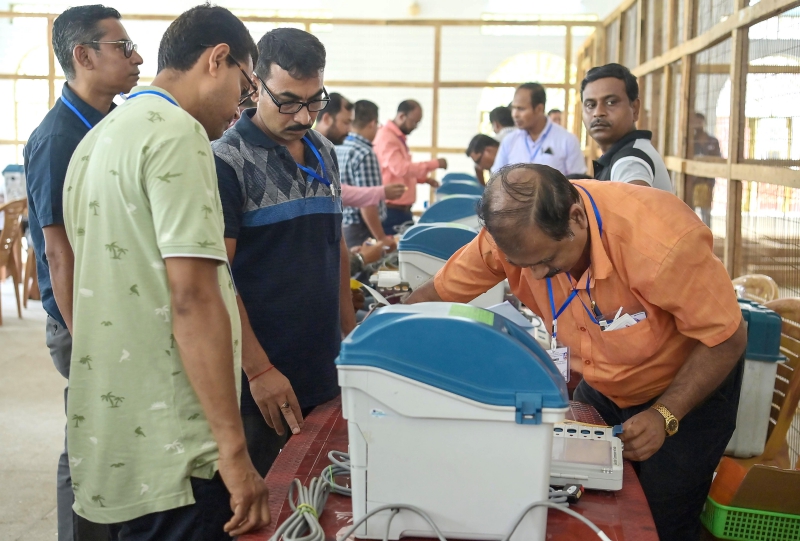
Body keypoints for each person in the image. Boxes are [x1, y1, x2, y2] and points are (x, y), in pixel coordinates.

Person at [406, 163, 746, 541]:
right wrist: (376, 341)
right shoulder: (510, 235)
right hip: (602, 383)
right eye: (521, 265)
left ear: (576, 218)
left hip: (683, 390)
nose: (534, 277)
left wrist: (664, 414)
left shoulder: (659, 242)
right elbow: (430, 300)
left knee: (656, 520)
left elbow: (727, 337)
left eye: (545, 262)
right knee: (573, 497)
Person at [61, 5, 269, 539]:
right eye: (247, 87)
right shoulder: (178, 134)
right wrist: (233, 449)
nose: (242, 109)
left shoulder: (98, 139)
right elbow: (193, 297)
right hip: (178, 447)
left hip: (118, 442)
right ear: (217, 59)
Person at [212, 27, 356, 477]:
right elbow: (218, 278)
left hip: (325, 365)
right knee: (260, 500)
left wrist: (352, 344)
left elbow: (337, 250)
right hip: (263, 377)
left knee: (317, 491)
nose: (304, 115)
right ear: (256, 85)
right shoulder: (226, 160)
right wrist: (258, 371)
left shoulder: (325, 152)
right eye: (289, 100)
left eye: (315, 101)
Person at [23, 6, 142, 540]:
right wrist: (84, 337)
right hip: (83, 319)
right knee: (89, 441)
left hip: (114, 312)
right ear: (83, 56)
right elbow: (57, 250)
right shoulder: (58, 137)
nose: (136, 57)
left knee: (114, 435)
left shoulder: (112, 122)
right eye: (122, 47)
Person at [314, 93, 406, 226]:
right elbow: (332, 191)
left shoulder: (328, 149)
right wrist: (381, 192)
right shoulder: (305, 149)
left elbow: (336, 192)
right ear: (327, 119)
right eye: (346, 123)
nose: (349, 130)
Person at [582, 63, 673, 192]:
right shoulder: (631, 151)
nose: (598, 112)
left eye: (611, 102)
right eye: (590, 105)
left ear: (635, 109)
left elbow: (635, 210)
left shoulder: (629, 162)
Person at [373, 99, 446, 234]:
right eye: (414, 122)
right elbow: (401, 169)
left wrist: (423, 179)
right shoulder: (387, 137)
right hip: (392, 210)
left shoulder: (395, 137)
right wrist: (435, 164)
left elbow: (395, 172)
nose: (415, 127)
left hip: (400, 210)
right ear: (401, 116)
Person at [338, 100, 400, 247]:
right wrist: (381, 238)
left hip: (343, 227)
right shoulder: (365, 153)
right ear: (373, 123)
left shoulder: (337, 146)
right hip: (362, 230)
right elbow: (367, 202)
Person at [493, 83, 587, 177]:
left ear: (539, 109)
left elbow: (578, 183)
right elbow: (496, 179)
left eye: (521, 109)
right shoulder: (509, 141)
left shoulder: (567, 140)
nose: (514, 114)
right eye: (513, 108)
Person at [687, 112, 721, 227]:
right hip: (692, 182)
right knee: (690, 211)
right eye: (695, 122)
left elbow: (718, 159)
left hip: (706, 182)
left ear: (704, 123)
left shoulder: (712, 141)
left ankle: (707, 237)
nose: (697, 124)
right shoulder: (690, 142)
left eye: (699, 122)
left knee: (705, 212)